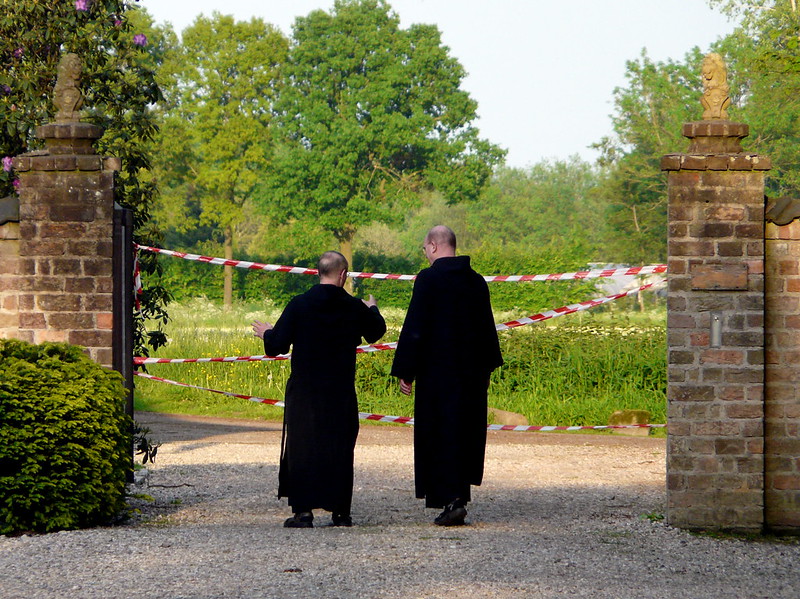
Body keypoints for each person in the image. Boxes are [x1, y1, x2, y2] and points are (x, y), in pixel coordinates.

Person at [252, 251, 386, 528]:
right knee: (339, 446)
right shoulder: (353, 307)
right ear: (343, 275)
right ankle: (340, 511)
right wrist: (371, 307)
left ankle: (303, 511)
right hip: (339, 390)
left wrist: (266, 331)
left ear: (318, 272)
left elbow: (277, 344)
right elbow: (377, 331)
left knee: (303, 446)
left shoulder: (300, 304)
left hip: (305, 391)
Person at [390, 225, 503, 526]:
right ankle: (458, 497)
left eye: (425, 248)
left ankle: (449, 499)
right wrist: (487, 369)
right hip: (470, 377)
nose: (425, 253)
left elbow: (416, 326)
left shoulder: (428, 280)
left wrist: (406, 370)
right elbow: (486, 329)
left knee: (439, 436)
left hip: (437, 376)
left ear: (434, 246)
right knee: (464, 434)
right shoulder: (477, 282)